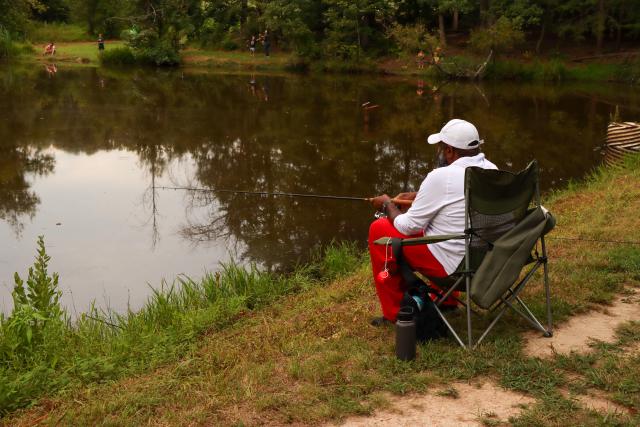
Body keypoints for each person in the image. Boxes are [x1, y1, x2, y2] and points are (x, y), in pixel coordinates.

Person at [368, 119, 497, 325]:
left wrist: (386, 205)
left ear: (449, 151)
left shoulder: (441, 176)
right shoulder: (492, 170)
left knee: (379, 228)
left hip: (455, 269)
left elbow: (407, 226)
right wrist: (420, 196)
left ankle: (396, 312)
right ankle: (446, 302)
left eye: (441, 148)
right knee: (442, 225)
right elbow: (455, 199)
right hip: (489, 263)